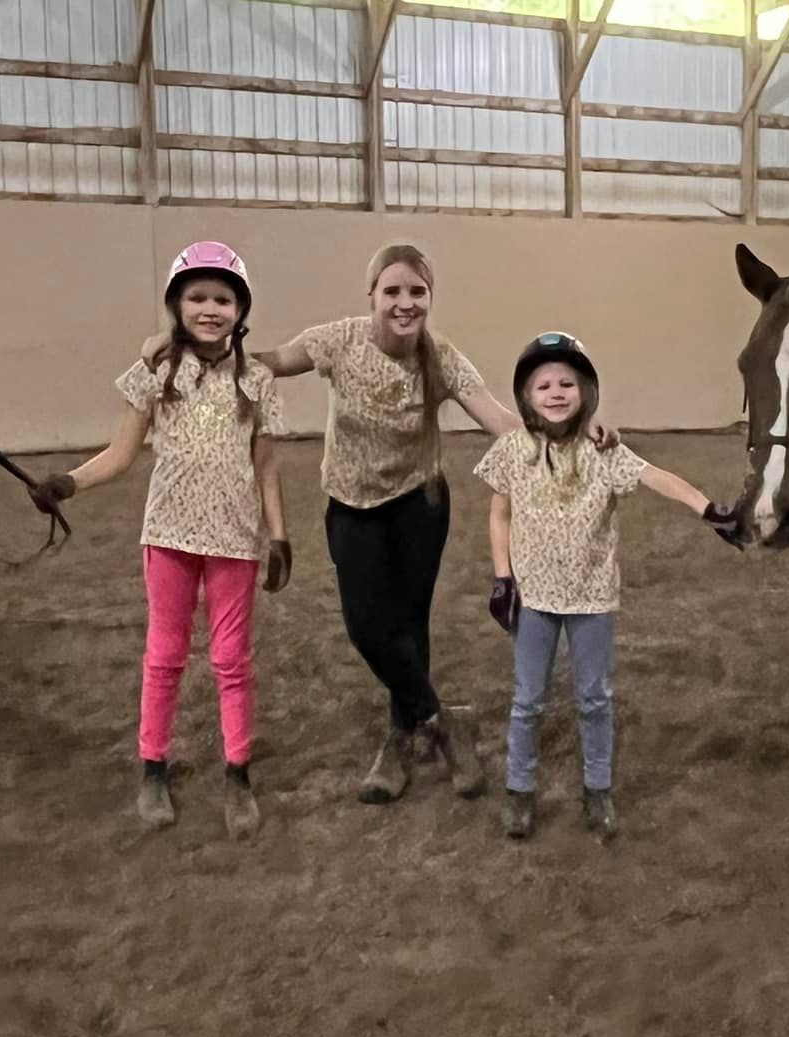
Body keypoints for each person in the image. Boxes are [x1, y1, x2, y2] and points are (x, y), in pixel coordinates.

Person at [30, 242, 290, 839]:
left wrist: (278, 536)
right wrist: (67, 483)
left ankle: (238, 773)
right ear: (176, 305)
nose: (209, 308)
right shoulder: (154, 374)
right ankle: (153, 767)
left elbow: (267, 464)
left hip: (233, 541)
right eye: (197, 297)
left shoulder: (257, 380)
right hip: (169, 535)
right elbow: (122, 454)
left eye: (222, 299)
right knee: (165, 656)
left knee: (231, 661)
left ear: (239, 309)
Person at [255, 244, 527, 806]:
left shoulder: (443, 357)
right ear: (372, 295)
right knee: (365, 627)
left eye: (417, 292)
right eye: (393, 291)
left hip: (419, 505)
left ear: (430, 298)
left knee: (408, 624)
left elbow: (500, 420)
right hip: (351, 507)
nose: (405, 303)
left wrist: (567, 434)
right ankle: (441, 721)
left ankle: (401, 738)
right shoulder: (338, 340)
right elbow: (269, 363)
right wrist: (185, 346)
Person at [477, 332, 741, 843]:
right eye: (543, 385)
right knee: (528, 698)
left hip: (592, 598)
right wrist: (503, 576)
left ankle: (597, 788)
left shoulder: (603, 450)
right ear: (526, 398)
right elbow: (499, 512)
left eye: (567, 383)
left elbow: (655, 476)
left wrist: (707, 508)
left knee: (593, 697)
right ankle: (520, 790)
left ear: (586, 391)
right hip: (534, 599)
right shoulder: (512, 449)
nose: (556, 392)